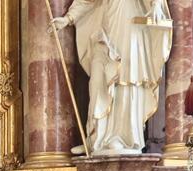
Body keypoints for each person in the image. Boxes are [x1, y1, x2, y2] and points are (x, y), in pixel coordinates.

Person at [51, 0, 172, 156]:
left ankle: (122, 137)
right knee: (97, 82)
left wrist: (156, 5)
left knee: (125, 80)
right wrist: (68, 18)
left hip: (130, 24)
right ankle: (95, 138)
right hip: (106, 27)